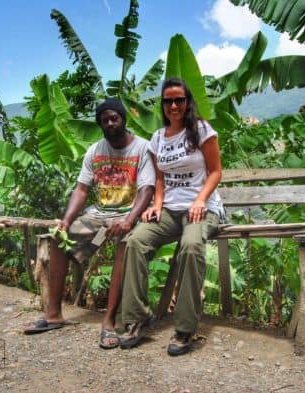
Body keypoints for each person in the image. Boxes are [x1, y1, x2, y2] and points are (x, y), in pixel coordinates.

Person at [24, 98, 155, 350]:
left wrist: (128, 220)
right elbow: (82, 190)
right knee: (59, 240)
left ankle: (108, 322)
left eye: (114, 118)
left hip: (130, 214)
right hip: (99, 214)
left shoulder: (142, 149)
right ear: (100, 124)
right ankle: (53, 315)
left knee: (124, 244)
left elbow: (147, 190)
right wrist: (66, 220)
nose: (110, 123)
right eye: (104, 120)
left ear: (123, 119)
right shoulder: (95, 151)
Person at [119, 78, 223, 356]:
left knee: (190, 247)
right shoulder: (158, 138)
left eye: (179, 100)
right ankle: (137, 318)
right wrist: (156, 205)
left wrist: (200, 200)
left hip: (202, 209)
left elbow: (215, 171)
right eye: (168, 101)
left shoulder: (201, 130)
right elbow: (161, 178)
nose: (174, 105)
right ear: (162, 105)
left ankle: (185, 328)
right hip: (170, 210)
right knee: (136, 241)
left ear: (187, 102)